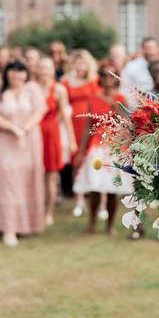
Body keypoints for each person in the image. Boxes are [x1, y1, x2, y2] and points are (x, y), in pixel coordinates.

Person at [0, 60, 47, 246]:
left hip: (29, 142)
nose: (16, 76)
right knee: (8, 180)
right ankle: (8, 228)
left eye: (20, 72)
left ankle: (25, 224)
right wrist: (13, 128)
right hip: (4, 142)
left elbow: (39, 111)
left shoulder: (32, 89)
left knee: (25, 180)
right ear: (7, 73)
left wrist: (24, 129)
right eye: (13, 72)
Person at [72, 61, 132, 234]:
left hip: (115, 146)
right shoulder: (93, 97)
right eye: (105, 75)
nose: (108, 79)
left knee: (113, 189)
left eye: (112, 75)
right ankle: (91, 222)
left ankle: (110, 225)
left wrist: (119, 112)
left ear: (116, 78)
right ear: (100, 77)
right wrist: (81, 151)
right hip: (96, 147)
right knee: (95, 187)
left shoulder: (121, 99)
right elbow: (87, 127)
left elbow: (128, 124)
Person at [36, 56, 76, 227]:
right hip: (35, 134)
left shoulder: (59, 89)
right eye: (42, 67)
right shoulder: (32, 88)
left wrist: (72, 139)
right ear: (37, 70)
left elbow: (65, 116)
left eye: (48, 67)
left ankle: (48, 212)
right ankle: (35, 210)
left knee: (51, 177)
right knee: (35, 175)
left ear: (53, 70)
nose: (45, 71)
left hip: (52, 134)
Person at [61, 50, 99, 217]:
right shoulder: (66, 82)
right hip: (73, 123)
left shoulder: (94, 81)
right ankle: (79, 200)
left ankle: (96, 197)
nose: (80, 66)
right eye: (77, 63)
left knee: (92, 158)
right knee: (76, 159)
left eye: (83, 63)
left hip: (91, 123)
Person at [120, 36, 159, 108]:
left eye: (153, 48)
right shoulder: (132, 66)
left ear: (157, 49)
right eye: (148, 48)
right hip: (138, 108)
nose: (151, 51)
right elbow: (124, 89)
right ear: (142, 49)